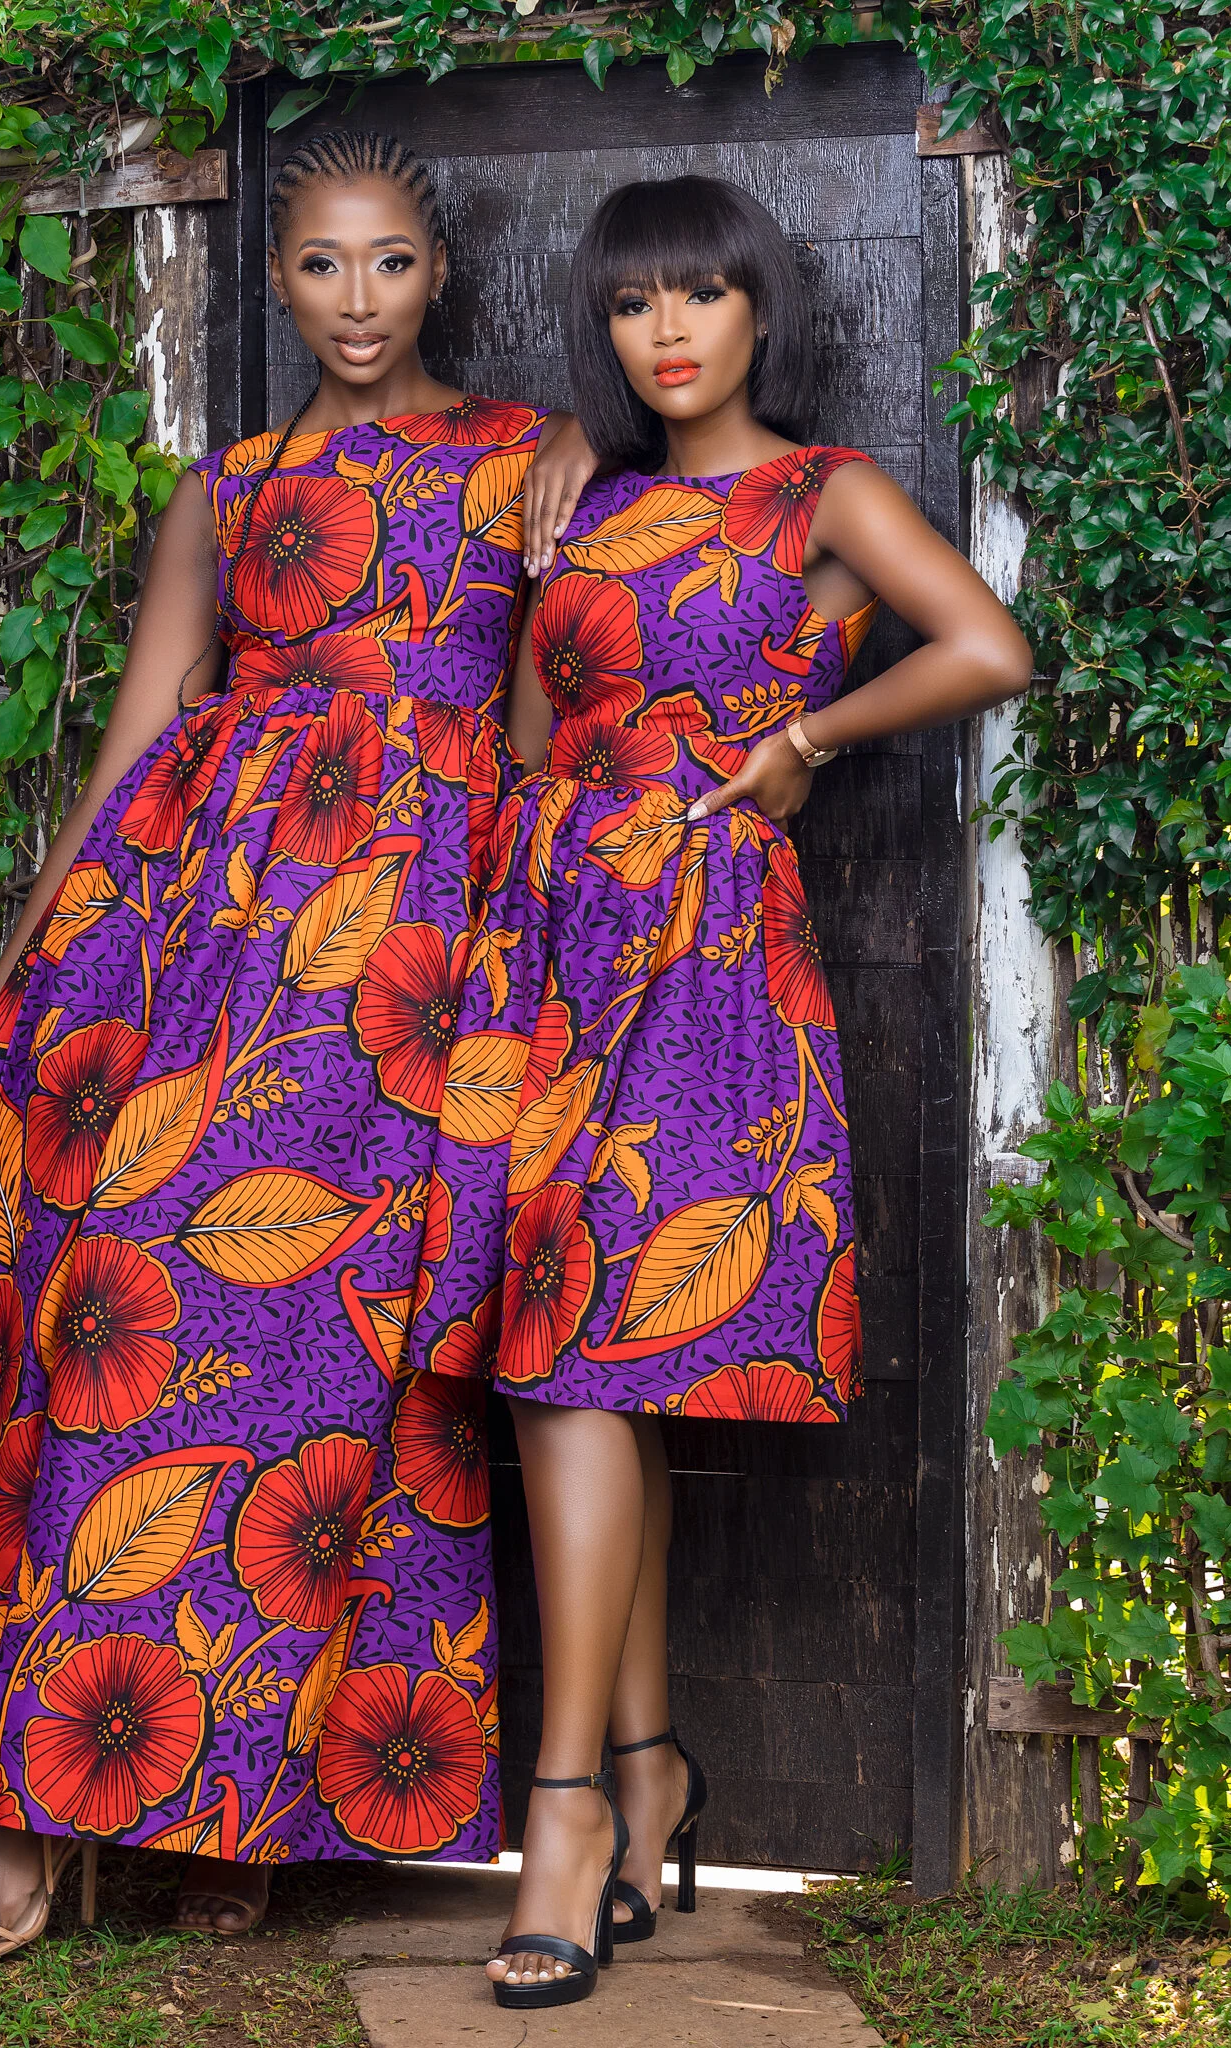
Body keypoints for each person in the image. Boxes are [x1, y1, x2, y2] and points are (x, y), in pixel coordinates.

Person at [0, 128, 598, 1966]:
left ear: (437, 275)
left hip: (404, 978)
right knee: (125, 1324)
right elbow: (133, 748)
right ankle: (24, 1817)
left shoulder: (526, 464)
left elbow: (548, 740)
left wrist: (537, 998)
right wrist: (8, 996)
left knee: (327, 1381)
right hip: (201, 959)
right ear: (277, 284)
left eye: (390, 262)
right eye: (321, 266)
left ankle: (242, 1812)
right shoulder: (225, 494)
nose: (357, 301)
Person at [438, 174, 1033, 2008]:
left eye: (702, 295)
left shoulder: (826, 491)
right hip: (548, 952)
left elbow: (989, 646)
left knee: (578, 1366)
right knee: (570, 1364)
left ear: (760, 307)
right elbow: (532, 741)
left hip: (704, 965)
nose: (670, 329)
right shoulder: (584, 505)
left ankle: (568, 1818)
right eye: (634, 306)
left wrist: (799, 738)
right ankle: (641, 1773)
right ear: (605, 331)